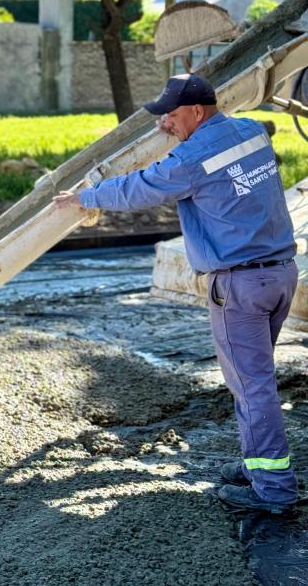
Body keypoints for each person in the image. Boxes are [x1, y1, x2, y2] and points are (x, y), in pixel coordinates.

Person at [54, 73, 298, 514]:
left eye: (171, 113)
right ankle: (257, 465)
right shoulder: (251, 132)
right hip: (280, 274)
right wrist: (176, 136)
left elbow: (138, 188)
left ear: (197, 112)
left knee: (252, 386)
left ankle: (274, 490)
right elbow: (215, 168)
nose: (166, 121)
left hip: (240, 285)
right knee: (252, 379)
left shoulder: (190, 159)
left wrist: (84, 199)